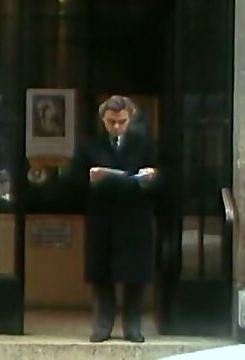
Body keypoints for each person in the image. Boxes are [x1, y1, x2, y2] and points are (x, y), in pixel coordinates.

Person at [64, 95, 159, 343]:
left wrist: (151, 177)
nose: (116, 127)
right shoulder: (90, 145)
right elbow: (71, 180)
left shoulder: (144, 144)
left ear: (130, 119)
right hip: (102, 217)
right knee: (102, 275)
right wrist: (90, 178)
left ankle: (132, 327)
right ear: (102, 120)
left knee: (134, 277)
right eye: (111, 122)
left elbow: (162, 179)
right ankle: (103, 326)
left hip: (134, 217)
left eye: (122, 121)